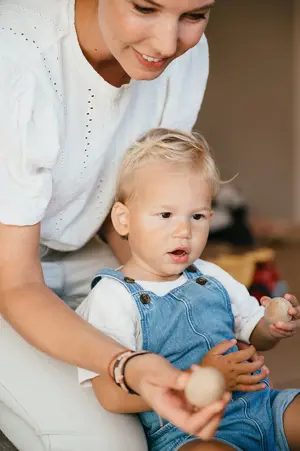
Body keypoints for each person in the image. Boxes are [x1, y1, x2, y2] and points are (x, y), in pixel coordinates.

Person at [0, 0, 267, 449]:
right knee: (115, 442)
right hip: (10, 273)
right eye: (145, 7)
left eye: (195, 16)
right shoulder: (18, 58)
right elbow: (17, 283)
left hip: (82, 247)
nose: (166, 44)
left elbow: (136, 203)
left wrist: (196, 317)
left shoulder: (184, 56)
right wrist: (128, 364)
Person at [77, 128, 300, 451]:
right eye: (165, 215)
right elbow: (111, 397)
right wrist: (200, 381)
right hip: (190, 433)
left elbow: (256, 333)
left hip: (262, 408)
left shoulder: (212, 276)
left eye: (197, 216)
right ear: (124, 220)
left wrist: (273, 325)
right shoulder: (112, 298)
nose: (183, 230)